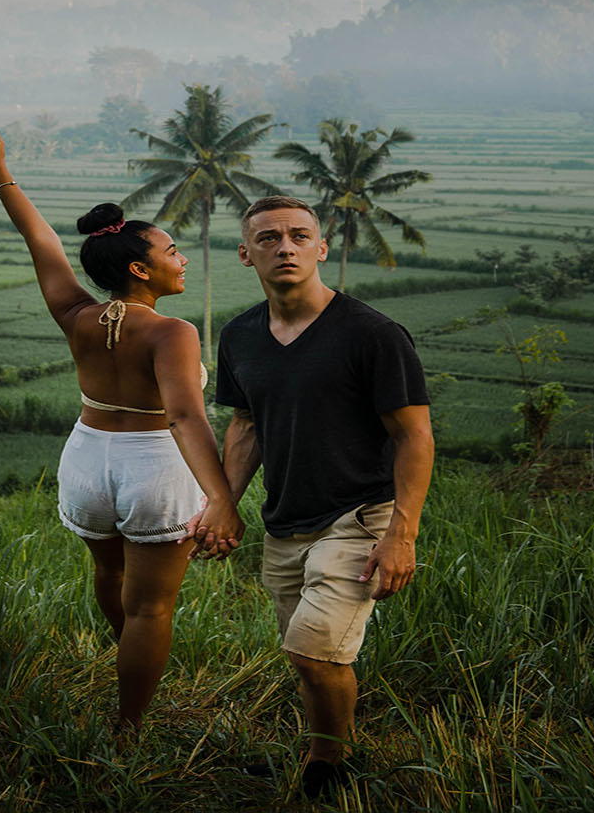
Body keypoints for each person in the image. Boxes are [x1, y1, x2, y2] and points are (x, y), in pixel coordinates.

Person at [0, 126, 244, 734]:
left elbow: (40, 242)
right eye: (172, 251)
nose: (182, 258)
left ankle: (130, 666)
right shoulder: (173, 333)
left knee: (110, 577)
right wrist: (221, 499)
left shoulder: (75, 315)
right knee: (152, 607)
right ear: (141, 269)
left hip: (87, 459)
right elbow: (186, 416)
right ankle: (131, 724)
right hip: (154, 464)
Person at [210, 195, 433, 799]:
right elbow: (246, 424)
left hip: (360, 514)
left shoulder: (372, 334)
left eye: (299, 236)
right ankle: (329, 748)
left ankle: (329, 764)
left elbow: (414, 434)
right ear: (245, 252)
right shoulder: (240, 336)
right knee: (308, 655)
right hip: (285, 521)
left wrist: (402, 533)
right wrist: (225, 502)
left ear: (321, 248)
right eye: (269, 238)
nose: (285, 246)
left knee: (312, 652)